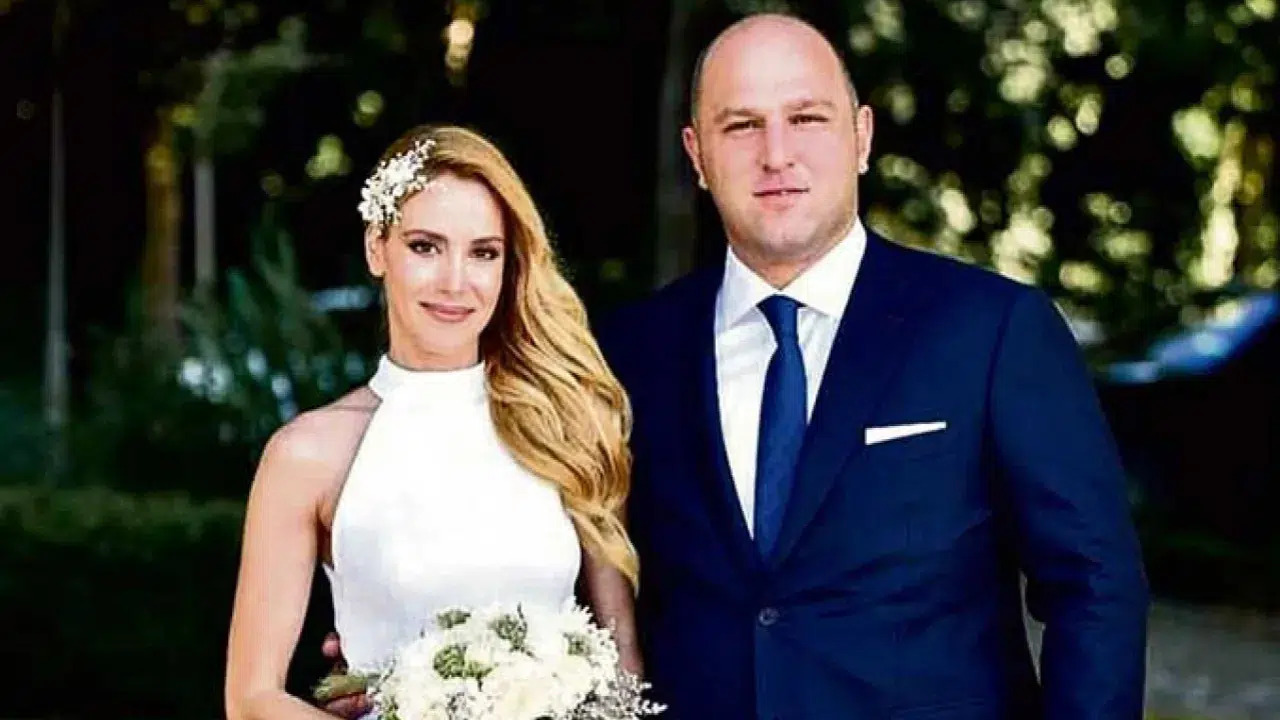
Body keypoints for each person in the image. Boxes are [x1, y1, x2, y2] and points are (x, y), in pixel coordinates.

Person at [593, 12, 1150, 719]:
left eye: (806, 118)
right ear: (697, 154)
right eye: (741, 126)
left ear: (861, 136)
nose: (776, 153)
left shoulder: (990, 330)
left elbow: (1095, 585)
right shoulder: (628, 352)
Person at [223, 125, 641, 720]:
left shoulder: (568, 424)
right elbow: (251, 698)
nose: (455, 282)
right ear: (377, 248)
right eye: (425, 247)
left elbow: (622, 658)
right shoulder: (308, 453)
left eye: (483, 253)